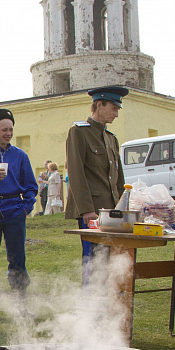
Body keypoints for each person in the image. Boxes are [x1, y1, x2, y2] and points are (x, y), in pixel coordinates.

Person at [64, 86, 127, 282]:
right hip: (93, 210)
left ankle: (108, 307)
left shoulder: (111, 138)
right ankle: (90, 307)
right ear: (99, 105)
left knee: (112, 261)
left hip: (112, 211)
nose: (116, 114)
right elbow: (76, 173)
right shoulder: (78, 132)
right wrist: (86, 209)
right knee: (93, 262)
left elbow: (118, 178)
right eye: (113, 108)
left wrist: (124, 205)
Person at [0, 108, 37, 322]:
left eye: (11, 129)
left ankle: (21, 307)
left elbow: (31, 186)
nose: (8, 133)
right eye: (4, 129)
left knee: (17, 259)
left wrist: (26, 207)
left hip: (15, 211)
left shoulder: (20, 156)